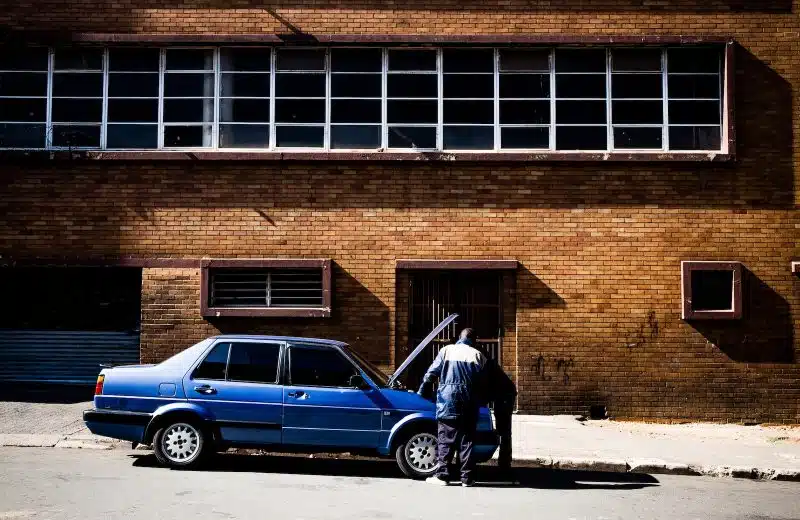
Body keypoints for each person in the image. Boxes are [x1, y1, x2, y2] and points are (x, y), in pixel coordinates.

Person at [418, 327, 487, 487]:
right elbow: (484, 383)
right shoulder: (478, 356)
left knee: (445, 439)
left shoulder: (446, 350)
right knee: (467, 441)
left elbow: (431, 374)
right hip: (469, 402)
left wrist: (423, 392)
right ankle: (467, 479)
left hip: (447, 401)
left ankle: (443, 476)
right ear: (473, 341)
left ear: (459, 337)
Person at [482, 353, 517, 478]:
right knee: (503, 429)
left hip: (504, 396)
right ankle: (504, 462)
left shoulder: (483, 362)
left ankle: (505, 463)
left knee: (504, 430)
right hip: (503, 394)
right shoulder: (485, 360)